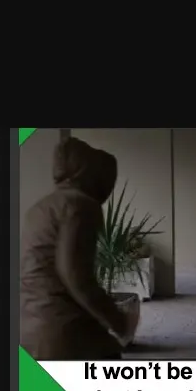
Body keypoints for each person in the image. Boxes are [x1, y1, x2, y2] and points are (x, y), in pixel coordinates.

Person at [19, 137, 129, 359]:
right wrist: (117, 319)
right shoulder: (80, 205)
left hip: (28, 325)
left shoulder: (39, 207)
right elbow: (74, 274)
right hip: (61, 326)